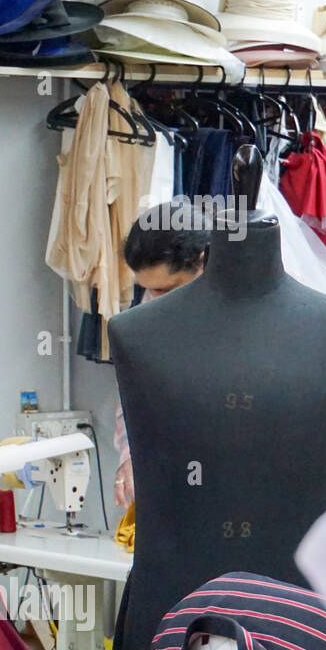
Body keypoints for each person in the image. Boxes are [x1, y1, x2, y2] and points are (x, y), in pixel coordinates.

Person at [112, 198, 211, 507]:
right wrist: (130, 455)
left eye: (166, 289)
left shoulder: (251, 306)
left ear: (202, 260)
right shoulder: (151, 308)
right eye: (148, 289)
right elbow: (132, 391)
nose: (155, 299)